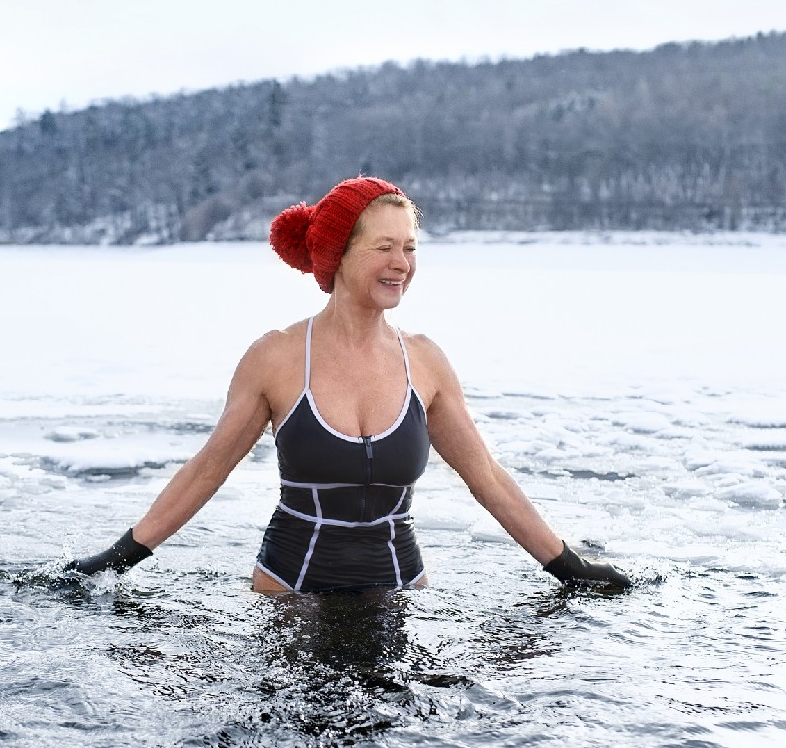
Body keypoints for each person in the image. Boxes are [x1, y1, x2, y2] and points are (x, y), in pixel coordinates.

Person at [67, 177, 629, 592]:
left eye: (409, 247)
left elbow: (486, 477)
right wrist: (116, 559)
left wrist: (568, 567)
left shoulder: (426, 362)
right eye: (383, 247)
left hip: (401, 589)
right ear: (339, 255)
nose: (401, 263)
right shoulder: (277, 357)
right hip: (290, 592)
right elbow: (209, 468)